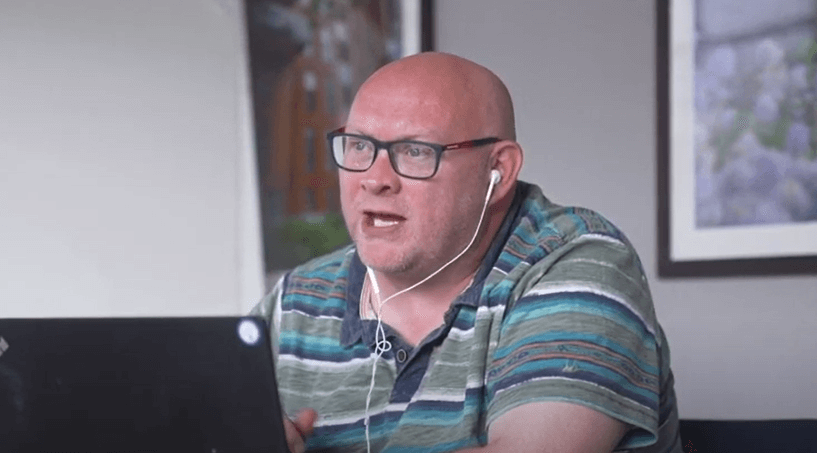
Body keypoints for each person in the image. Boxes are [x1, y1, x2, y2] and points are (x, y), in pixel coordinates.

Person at [251, 52, 682, 453]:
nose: (374, 179)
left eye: (415, 151)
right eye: (360, 146)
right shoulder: (296, 302)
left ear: (498, 170)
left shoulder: (577, 263)